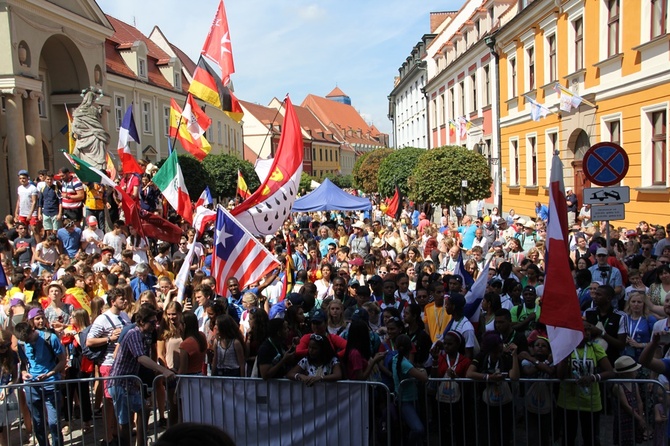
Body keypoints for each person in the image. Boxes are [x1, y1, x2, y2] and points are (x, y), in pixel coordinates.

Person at [108, 305, 175, 446]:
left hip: (130, 384)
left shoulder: (143, 335)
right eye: (151, 322)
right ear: (141, 322)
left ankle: (141, 443)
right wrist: (162, 370)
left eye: (155, 322)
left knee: (144, 409)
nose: (154, 325)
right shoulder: (134, 334)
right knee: (124, 422)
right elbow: (141, 357)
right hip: (120, 384)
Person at [557, 322, 615, 446]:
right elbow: (560, 375)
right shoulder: (565, 348)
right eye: (583, 330)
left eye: (588, 330)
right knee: (568, 437)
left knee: (591, 438)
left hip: (591, 402)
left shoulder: (595, 348)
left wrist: (593, 377)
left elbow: (610, 372)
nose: (587, 333)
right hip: (568, 401)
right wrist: (565, 355)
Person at [15, 321, 67, 446]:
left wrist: (49, 374)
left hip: (50, 383)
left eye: (28, 339)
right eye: (24, 340)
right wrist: (23, 373)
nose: (27, 342)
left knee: (54, 423)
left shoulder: (50, 338)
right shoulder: (21, 343)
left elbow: (62, 360)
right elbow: (23, 363)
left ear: (32, 330)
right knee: (38, 423)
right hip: (32, 386)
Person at [430, 330, 472, 445]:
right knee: (444, 432)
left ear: (457, 345)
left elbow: (468, 385)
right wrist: (434, 360)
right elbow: (435, 378)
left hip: (459, 404)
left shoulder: (465, 361)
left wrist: (457, 377)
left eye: (450, 344)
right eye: (445, 344)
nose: (446, 346)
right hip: (443, 402)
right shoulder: (441, 358)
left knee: (459, 432)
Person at [392, 334, 428, 446]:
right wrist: (422, 370)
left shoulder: (396, 359)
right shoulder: (404, 363)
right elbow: (424, 378)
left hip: (409, 399)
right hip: (406, 402)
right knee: (418, 429)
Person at [612, 356, 648, 445]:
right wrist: (639, 418)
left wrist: (641, 416)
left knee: (634, 440)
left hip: (635, 416)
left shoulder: (634, 383)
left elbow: (639, 401)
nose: (636, 372)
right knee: (624, 441)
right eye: (634, 370)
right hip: (624, 418)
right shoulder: (618, 386)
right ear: (626, 373)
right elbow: (626, 406)